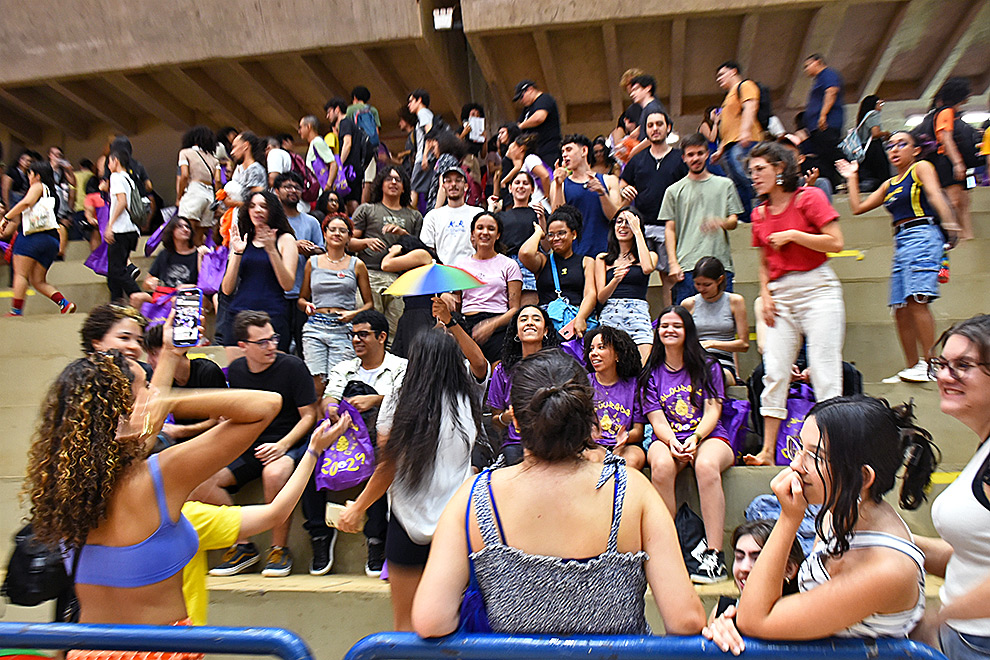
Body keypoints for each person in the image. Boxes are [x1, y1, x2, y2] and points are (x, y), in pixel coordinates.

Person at [412, 349, 706, 637]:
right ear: (590, 417)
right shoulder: (633, 489)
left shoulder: (475, 496)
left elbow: (431, 620)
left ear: (514, 420)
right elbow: (685, 620)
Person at [23, 315, 281, 631]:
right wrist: (173, 400)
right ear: (123, 409)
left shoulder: (67, 483)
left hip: (88, 650)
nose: (154, 391)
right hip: (159, 651)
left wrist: (170, 356)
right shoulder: (162, 474)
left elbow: (137, 432)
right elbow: (267, 405)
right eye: (145, 386)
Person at [729, 396, 937, 645]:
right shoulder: (838, 513)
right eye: (799, 448)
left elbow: (754, 620)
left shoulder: (885, 569)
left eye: (814, 457)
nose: (795, 465)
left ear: (862, 476)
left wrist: (788, 518)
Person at [338, 320, 489, 630]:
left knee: (404, 625)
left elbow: (386, 463)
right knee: (451, 623)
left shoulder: (398, 395)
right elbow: (479, 363)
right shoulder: (468, 397)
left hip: (407, 524)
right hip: (456, 525)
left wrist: (357, 507)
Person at [181, 410, 351, 625]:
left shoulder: (130, 521)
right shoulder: (186, 520)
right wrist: (313, 451)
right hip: (177, 647)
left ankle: (264, 551)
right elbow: (275, 513)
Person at [746, 141, 845, 466]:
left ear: (779, 168)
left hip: (818, 288)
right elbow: (763, 261)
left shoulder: (809, 197)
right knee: (774, 371)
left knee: (825, 369)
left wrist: (793, 235)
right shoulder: (758, 212)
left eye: (760, 169)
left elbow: (836, 242)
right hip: (780, 294)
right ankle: (767, 451)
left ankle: (831, 450)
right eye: (751, 171)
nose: (754, 176)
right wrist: (767, 295)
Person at [199, 311, 318, 578]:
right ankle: (243, 546)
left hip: (291, 441)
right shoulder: (239, 370)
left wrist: (282, 445)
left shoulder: (292, 367)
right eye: (262, 342)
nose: (272, 346)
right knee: (203, 480)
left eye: (273, 338)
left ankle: (279, 549)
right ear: (243, 346)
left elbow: (310, 416)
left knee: (273, 474)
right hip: (252, 444)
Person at [837, 131, 958, 384]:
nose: (894, 149)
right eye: (891, 145)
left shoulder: (920, 167)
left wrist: (950, 223)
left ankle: (930, 364)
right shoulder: (889, 184)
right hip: (901, 240)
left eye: (902, 144)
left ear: (915, 150)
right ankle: (913, 366)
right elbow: (857, 208)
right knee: (900, 308)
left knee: (917, 300)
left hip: (923, 233)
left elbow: (935, 194)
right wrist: (852, 177)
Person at [914, 316, 990, 660]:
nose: (946, 376)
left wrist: (939, 620)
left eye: (963, 365)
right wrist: (898, 541)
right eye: (942, 364)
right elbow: (973, 557)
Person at [641, 305, 732, 583]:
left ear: (687, 330)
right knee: (660, 465)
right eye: (664, 325)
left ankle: (715, 555)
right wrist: (672, 442)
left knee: (705, 465)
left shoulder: (708, 366)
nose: (669, 330)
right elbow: (656, 420)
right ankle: (668, 551)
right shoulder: (652, 373)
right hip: (667, 437)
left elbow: (713, 411)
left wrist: (694, 438)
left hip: (709, 435)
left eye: (676, 326)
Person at [702, 519, 806, 654]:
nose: (744, 568)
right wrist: (715, 639)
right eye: (739, 557)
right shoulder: (722, 611)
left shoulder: (804, 614)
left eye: (758, 559)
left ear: (789, 569)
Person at [661, 132, 743, 305]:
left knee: (725, 322)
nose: (695, 158)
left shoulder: (725, 184)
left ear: (707, 154)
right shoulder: (673, 191)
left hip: (720, 264)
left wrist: (721, 222)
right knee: (686, 325)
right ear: (684, 158)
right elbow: (669, 229)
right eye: (691, 154)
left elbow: (734, 220)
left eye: (699, 153)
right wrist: (673, 263)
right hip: (687, 266)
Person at [298, 214, 373, 397]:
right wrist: (306, 306)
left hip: (343, 327)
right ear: (325, 233)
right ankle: (317, 424)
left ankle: (336, 423)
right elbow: (301, 299)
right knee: (315, 385)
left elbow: (369, 304)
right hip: (315, 326)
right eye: (332, 229)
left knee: (337, 385)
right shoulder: (312, 263)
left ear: (349, 237)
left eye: (342, 230)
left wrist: (354, 314)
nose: (337, 234)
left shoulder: (357, 265)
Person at [620, 110, 688, 305]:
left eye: (659, 124)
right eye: (650, 125)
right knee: (638, 276)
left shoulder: (679, 158)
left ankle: (671, 317)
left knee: (669, 277)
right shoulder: (637, 159)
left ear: (668, 127)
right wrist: (625, 190)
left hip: (670, 227)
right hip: (640, 228)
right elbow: (622, 183)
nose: (655, 128)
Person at [351, 165, 424, 340]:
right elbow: (349, 243)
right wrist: (365, 242)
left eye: (398, 179)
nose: (393, 182)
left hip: (401, 279)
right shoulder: (367, 209)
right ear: (380, 184)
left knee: (394, 333)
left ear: (404, 186)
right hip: (370, 275)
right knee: (369, 330)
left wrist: (403, 234)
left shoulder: (414, 216)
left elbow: (421, 251)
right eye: (389, 179)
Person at [220, 191, 297, 356]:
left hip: (272, 315)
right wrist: (238, 252)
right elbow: (227, 289)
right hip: (239, 314)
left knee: (271, 377)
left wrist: (271, 250)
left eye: (263, 206)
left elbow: (288, 284)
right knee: (237, 376)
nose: (257, 210)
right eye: (253, 206)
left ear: (273, 210)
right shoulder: (243, 239)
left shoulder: (285, 239)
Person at [1, 161, 76, 316]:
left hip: (32, 237)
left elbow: (27, 202)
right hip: (51, 240)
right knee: (38, 281)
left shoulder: (38, 186)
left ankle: (16, 311)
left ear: (37, 175)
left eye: (30, 173)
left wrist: (6, 217)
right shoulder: (54, 192)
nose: (29, 177)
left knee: (21, 274)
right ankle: (64, 303)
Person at [447, 211, 523, 363]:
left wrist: (492, 325)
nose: (485, 232)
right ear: (472, 234)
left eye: (491, 228)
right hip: (467, 324)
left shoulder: (509, 265)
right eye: (480, 228)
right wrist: (446, 297)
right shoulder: (460, 266)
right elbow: (457, 302)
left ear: (498, 235)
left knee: (498, 373)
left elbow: (515, 308)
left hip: (499, 323)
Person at [488, 305, 560, 465]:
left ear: (546, 330)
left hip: (553, 440)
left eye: (536, 319)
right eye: (523, 319)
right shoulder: (502, 370)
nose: (529, 323)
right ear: (516, 331)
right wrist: (506, 417)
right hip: (516, 444)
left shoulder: (559, 366)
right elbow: (495, 421)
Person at [142, 324, 227, 447]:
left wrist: (181, 431)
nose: (148, 361)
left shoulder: (207, 371)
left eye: (154, 354)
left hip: (211, 441)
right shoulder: (157, 378)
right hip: (179, 444)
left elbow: (219, 420)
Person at [519, 205, 597, 337]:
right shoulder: (543, 261)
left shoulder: (586, 261)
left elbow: (590, 293)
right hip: (548, 323)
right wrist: (539, 232)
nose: (555, 238)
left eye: (561, 233)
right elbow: (525, 253)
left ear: (573, 234)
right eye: (551, 235)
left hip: (575, 321)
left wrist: (581, 318)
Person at [595, 207, 657, 362]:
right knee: (612, 364)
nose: (623, 226)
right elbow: (601, 297)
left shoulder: (650, 255)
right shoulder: (603, 258)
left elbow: (648, 268)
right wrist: (615, 280)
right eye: (619, 221)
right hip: (611, 312)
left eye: (628, 222)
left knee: (643, 364)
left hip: (638, 312)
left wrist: (637, 232)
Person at [274, 172, 325, 356]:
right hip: (277, 293)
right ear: (276, 191)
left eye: (297, 187)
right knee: (279, 345)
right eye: (288, 187)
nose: (293, 191)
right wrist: (292, 246)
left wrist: (309, 250)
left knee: (306, 346)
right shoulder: (272, 222)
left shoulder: (311, 222)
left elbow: (323, 251)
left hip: (304, 294)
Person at [583, 326, 646, 470]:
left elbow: (638, 431)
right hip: (595, 446)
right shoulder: (585, 382)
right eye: (591, 349)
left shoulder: (633, 385)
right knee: (592, 459)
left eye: (601, 347)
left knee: (631, 460)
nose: (594, 353)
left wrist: (625, 437)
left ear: (617, 355)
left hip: (627, 445)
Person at [681, 257, 749, 385]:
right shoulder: (689, 304)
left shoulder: (735, 301)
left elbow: (744, 344)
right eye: (697, 284)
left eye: (707, 285)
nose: (701, 289)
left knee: (712, 375)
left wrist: (712, 343)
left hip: (723, 362)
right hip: (696, 360)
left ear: (720, 280)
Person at [551, 134, 621, 258]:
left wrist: (601, 192)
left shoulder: (609, 180)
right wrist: (558, 185)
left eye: (569, 150)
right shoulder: (559, 184)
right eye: (562, 152)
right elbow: (558, 218)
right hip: (575, 255)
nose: (564, 155)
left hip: (605, 251)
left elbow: (615, 217)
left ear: (584, 151)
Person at [712, 61, 761, 218]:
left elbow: (750, 106)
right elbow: (728, 127)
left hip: (744, 142)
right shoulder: (727, 98)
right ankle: (747, 218)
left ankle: (762, 211)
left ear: (733, 71)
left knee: (751, 179)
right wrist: (720, 150)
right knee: (738, 186)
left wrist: (745, 131)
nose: (719, 79)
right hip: (730, 146)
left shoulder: (745, 85)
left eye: (722, 74)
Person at [929, 77, 974, 240]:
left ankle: (968, 236)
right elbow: (945, 138)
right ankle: (955, 236)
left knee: (963, 201)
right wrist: (957, 163)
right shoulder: (946, 112)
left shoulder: (953, 113)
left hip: (954, 161)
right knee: (954, 201)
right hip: (947, 161)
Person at [488, 170, 541, 307]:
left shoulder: (537, 213)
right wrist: (490, 209)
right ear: (510, 188)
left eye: (525, 183)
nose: (521, 186)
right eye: (517, 183)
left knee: (527, 310)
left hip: (529, 264)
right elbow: (487, 239)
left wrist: (542, 219)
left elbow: (546, 245)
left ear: (532, 189)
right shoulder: (501, 216)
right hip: (505, 263)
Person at [382, 236, 439, 358]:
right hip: (410, 311)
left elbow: (385, 265)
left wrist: (395, 251)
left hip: (423, 311)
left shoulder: (421, 254)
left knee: (418, 355)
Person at [130, 216, 202, 309]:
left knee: (175, 301)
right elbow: (145, 284)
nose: (185, 229)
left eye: (187, 227)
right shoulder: (164, 254)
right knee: (136, 297)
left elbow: (206, 286)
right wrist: (150, 283)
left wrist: (191, 286)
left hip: (188, 294)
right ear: (171, 231)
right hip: (163, 294)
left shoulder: (198, 254)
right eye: (180, 226)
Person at [420, 165, 484, 265]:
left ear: (466, 186)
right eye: (448, 181)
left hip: (472, 271)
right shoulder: (432, 216)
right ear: (443, 186)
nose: (453, 184)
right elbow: (427, 250)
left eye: (458, 181)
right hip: (443, 272)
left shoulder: (478, 213)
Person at [104, 149, 143, 303]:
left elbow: (122, 201)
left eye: (109, 161)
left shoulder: (116, 177)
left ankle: (140, 296)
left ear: (115, 161)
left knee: (116, 270)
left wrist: (110, 225)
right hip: (132, 229)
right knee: (113, 273)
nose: (108, 166)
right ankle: (116, 305)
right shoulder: (129, 178)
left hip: (121, 229)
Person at [802, 53, 844, 188]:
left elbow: (831, 91)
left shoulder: (828, 74)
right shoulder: (819, 79)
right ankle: (833, 184)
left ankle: (854, 174)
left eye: (808, 65)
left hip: (826, 124)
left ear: (818, 62)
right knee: (824, 157)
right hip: (816, 127)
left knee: (831, 151)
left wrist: (823, 115)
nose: (806, 69)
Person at [176, 126, 221, 246]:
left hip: (194, 191)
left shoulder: (185, 153)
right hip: (210, 196)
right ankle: (199, 263)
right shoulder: (214, 159)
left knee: (186, 232)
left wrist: (179, 196)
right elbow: (217, 180)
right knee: (199, 237)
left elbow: (184, 175)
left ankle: (187, 261)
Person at [326, 97, 366, 215]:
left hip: (350, 169)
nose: (327, 116)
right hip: (355, 168)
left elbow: (347, 143)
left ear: (337, 109)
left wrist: (339, 165)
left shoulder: (345, 122)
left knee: (351, 201)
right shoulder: (350, 124)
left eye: (329, 112)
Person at [513, 80, 562, 168]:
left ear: (530, 90)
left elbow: (539, 118)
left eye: (522, 97)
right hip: (535, 152)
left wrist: (521, 126)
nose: (521, 101)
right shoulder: (527, 109)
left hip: (548, 149)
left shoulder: (544, 99)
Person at [346, 85, 382, 203]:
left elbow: (347, 128)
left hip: (356, 149)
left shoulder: (351, 109)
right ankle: (364, 206)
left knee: (354, 178)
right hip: (370, 148)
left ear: (355, 97)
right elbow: (376, 132)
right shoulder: (373, 110)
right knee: (368, 180)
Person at [500, 133, 551, 212]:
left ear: (521, 149)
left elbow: (545, 175)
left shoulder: (530, 159)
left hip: (539, 205)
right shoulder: (525, 163)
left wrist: (547, 197)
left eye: (513, 147)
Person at [80, 303, 148, 363]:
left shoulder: (148, 373)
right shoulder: (79, 374)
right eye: (124, 338)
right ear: (97, 343)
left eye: (139, 341)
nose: (135, 346)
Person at [407, 89, 439, 213]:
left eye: (411, 101)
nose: (409, 105)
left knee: (413, 188)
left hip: (423, 158)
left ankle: (409, 217)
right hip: (427, 157)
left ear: (419, 100)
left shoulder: (423, 113)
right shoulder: (427, 114)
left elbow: (429, 133)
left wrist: (425, 156)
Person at [425, 128, 469, 211]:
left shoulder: (445, 159)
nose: (433, 152)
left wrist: (435, 211)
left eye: (434, 148)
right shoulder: (453, 159)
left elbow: (442, 186)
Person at [853, 96, 891, 191]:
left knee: (868, 174)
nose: (881, 106)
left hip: (863, 148)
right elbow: (875, 133)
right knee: (882, 173)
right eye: (880, 103)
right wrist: (886, 133)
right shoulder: (874, 114)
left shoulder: (863, 117)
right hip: (874, 148)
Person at [699, 106, 726, 177]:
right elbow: (711, 138)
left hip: (715, 152)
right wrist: (715, 123)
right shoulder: (704, 125)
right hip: (707, 151)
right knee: (718, 173)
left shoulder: (717, 127)